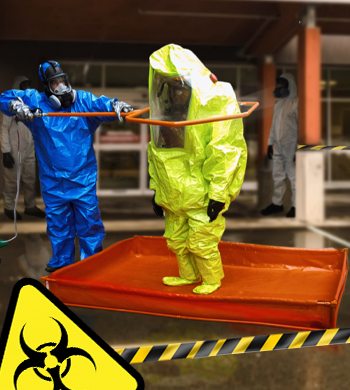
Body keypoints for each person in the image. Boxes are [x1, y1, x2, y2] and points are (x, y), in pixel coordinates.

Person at [0, 61, 133, 272]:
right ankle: (62, 264)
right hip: (53, 182)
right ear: (47, 86)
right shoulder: (36, 101)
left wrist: (116, 106)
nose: (61, 87)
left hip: (83, 179)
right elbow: (4, 97)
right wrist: (17, 106)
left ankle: (91, 263)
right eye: (55, 83)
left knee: (89, 223)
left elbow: (102, 104)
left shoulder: (82, 101)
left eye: (63, 80)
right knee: (58, 224)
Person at [148, 45, 247, 295]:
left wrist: (218, 194)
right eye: (170, 87)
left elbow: (224, 151)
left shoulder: (215, 101)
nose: (174, 94)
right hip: (173, 193)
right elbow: (157, 154)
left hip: (201, 193)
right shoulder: (169, 113)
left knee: (201, 241)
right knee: (176, 239)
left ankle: (212, 279)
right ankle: (188, 275)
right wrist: (157, 190)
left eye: (179, 87)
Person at [1, 76, 45, 221]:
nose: (27, 88)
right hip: (14, 149)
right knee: (11, 180)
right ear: (17, 86)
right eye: (24, 85)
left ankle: (30, 206)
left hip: (29, 148)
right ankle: (9, 207)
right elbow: (4, 129)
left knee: (30, 178)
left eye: (28, 85)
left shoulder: (31, 104)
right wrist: (6, 152)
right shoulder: (9, 104)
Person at [261, 73, 298, 218]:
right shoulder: (278, 105)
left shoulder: (296, 104)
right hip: (278, 145)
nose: (280, 86)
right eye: (279, 83)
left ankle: (296, 206)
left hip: (291, 146)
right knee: (278, 176)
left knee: (294, 177)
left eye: (283, 83)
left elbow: (301, 126)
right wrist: (270, 144)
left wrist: (298, 147)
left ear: (290, 85)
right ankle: (277, 204)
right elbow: (273, 126)